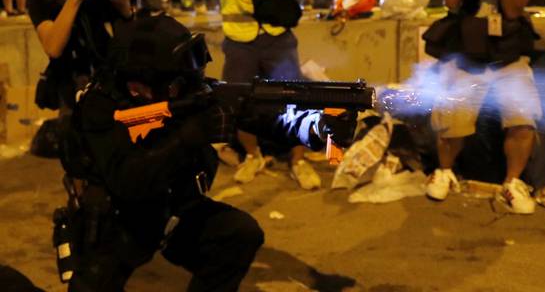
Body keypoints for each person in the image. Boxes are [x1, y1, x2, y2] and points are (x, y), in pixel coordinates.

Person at [58, 15, 356, 291]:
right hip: (118, 222)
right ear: (138, 87)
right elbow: (128, 180)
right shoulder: (100, 108)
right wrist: (190, 136)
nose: (191, 86)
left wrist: (316, 128)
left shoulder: (187, 94)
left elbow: (268, 119)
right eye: (177, 82)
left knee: (238, 235)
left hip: (172, 209)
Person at [424, 0, 545, 214]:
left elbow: (514, 9)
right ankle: (446, 171)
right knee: (451, 124)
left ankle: (512, 183)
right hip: (465, 50)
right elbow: (450, 1)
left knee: (523, 120)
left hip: (507, 51)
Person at [203, 0, 321, 189]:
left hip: (276, 34)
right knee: (239, 101)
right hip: (238, 35)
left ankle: (298, 160)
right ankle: (253, 155)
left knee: (294, 98)